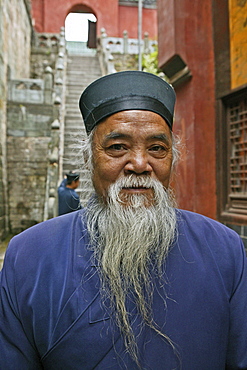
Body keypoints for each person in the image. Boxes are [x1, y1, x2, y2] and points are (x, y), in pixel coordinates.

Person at [0, 71, 247, 369]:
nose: (140, 164)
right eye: (118, 147)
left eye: (157, 148)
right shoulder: (28, 256)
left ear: (173, 158)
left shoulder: (224, 251)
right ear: (89, 157)